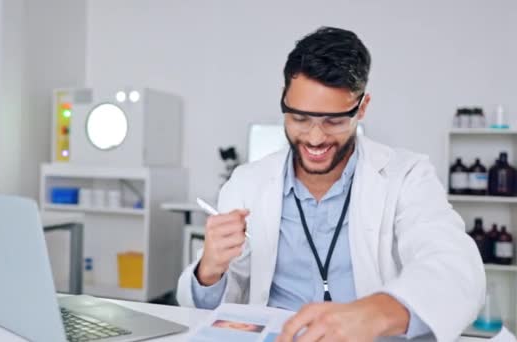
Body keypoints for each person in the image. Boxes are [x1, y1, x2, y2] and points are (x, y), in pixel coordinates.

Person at [176, 26, 485, 341]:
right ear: (283, 102)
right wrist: (210, 270)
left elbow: (456, 267)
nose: (314, 137)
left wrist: (375, 313)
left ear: (361, 108)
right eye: (299, 119)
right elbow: (209, 308)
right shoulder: (247, 182)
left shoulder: (406, 176)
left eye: (333, 121)